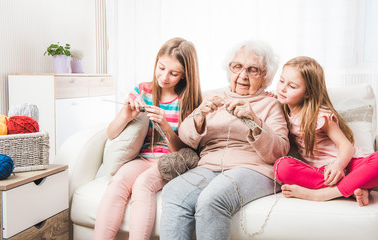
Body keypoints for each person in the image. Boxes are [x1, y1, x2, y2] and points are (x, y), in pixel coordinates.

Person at [160, 40, 290, 240]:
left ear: (265, 75)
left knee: (212, 199)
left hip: (253, 169)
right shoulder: (213, 98)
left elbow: (279, 152)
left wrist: (254, 121)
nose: (243, 75)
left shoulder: (271, 104)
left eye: (253, 69)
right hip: (209, 166)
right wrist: (200, 114)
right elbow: (185, 139)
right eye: (237, 67)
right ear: (230, 68)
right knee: (174, 192)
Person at [93, 37, 202, 240]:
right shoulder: (143, 91)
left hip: (169, 161)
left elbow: (186, 152)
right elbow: (111, 133)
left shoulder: (188, 102)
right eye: (161, 68)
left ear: (185, 75)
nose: (164, 77)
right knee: (118, 183)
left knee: (143, 185)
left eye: (174, 73)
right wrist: (126, 115)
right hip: (143, 158)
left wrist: (165, 126)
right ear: (156, 61)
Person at [274, 56, 378, 206]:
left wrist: (338, 165)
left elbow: (346, 146)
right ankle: (354, 188)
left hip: (348, 165)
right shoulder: (281, 108)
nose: (282, 88)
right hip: (321, 173)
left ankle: (323, 194)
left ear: (308, 93)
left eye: (292, 86)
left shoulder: (319, 116)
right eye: (281, 81)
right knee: (281, 167)